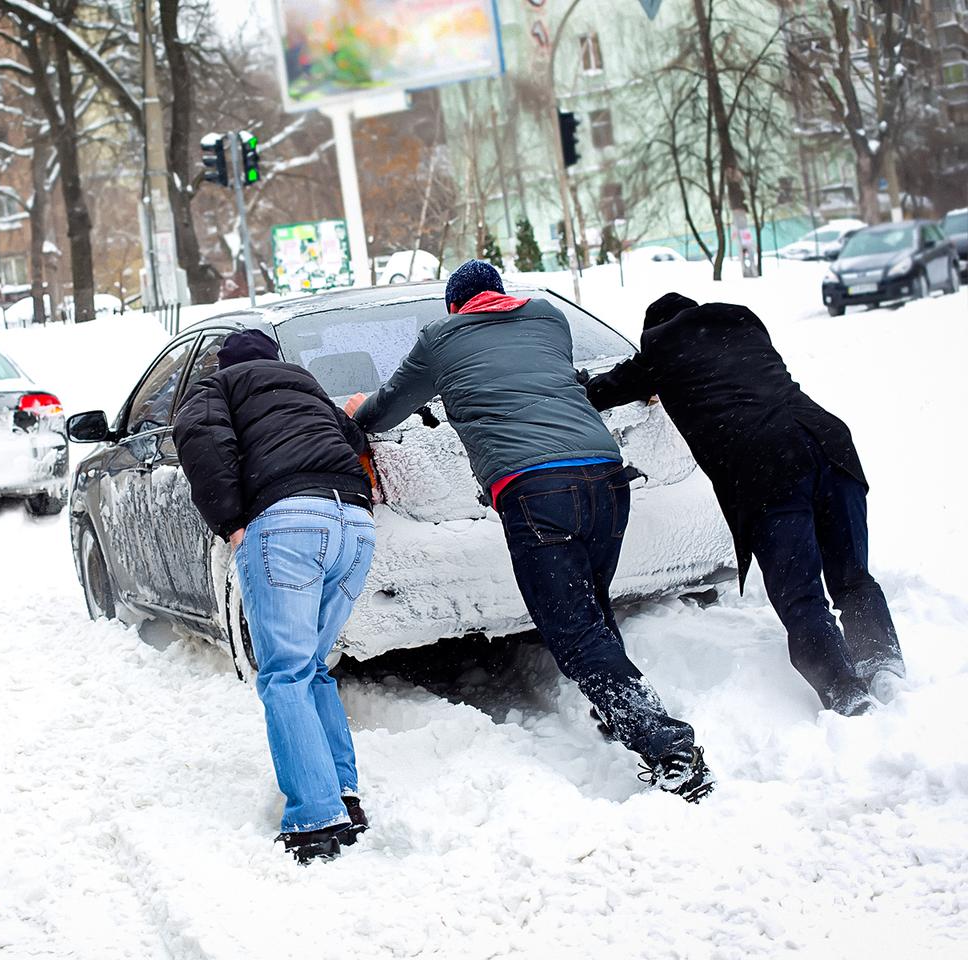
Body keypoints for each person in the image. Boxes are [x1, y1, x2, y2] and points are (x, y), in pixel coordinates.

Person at [346, 261, 714, 802]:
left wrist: (358, 412)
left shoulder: (439, 339)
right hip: (608, 480)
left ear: (456, 306)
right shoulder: (548, 318)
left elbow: (385, 411)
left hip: (537, 492)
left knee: (572, 632)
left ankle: (666, 746)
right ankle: (621, 711)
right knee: (590, 607)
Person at [584, 293, 904, 715]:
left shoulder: (660, 351)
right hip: (829, 442)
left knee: (800, 593)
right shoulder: (742, 322)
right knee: (852, 575)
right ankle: (881, 663)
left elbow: (600, 392)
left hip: (768, 465)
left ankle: (846, 692)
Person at [173, 329, 376, 862]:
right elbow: (353, 439)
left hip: (288, 523)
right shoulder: (308, 385)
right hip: (354, 523)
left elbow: (200, 440)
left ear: (225, 363)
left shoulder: (217, 387)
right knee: (312, 666)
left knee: (285, 672)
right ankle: (343, 795)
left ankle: (315, 818)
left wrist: (230, 520)